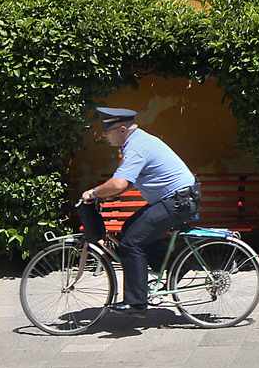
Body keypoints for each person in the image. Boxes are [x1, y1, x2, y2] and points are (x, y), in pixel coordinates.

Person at [82, 107, 199, 313]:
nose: (103, 135)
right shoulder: (138, 141)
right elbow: (127, 182)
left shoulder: (136, 146)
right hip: (177, 199)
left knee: (130, 241)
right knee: (129, 230)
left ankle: (135, 303)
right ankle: (174, 269)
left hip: (177, 201)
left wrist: (93, 193)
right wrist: (110, 191)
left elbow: (118, 183)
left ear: (122, 129)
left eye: (107, 130)